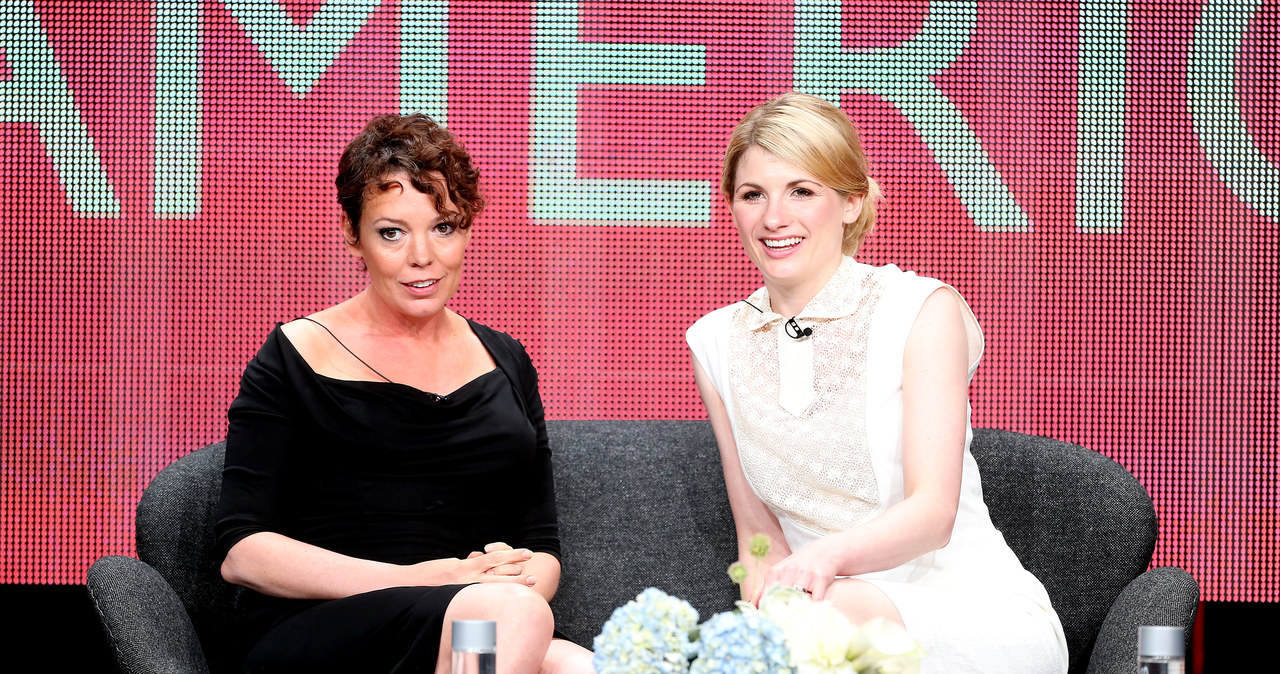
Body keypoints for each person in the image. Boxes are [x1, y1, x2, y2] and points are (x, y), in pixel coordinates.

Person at [685, 92, 1068, 672]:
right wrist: (760, 634)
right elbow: (758, 541)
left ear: (851, 201)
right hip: (817, 614)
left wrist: (822, 566)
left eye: (802, 191)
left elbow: (932, 514)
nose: (773, 218)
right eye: (752, 195)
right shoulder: (713, 341)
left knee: (826, 618)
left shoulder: (919, 309)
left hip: (969, 616)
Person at [214, 113, 594, 673]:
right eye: (392, 232)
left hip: (474, 624)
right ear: (353, 235)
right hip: (325, 629)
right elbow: (241, 552)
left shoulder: (507, 361)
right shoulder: (292, 357)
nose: (423, 256)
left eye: (443, 227)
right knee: (504, 620)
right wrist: (428, 578)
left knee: (579, 667)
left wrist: (516, 575)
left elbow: (539, 542)